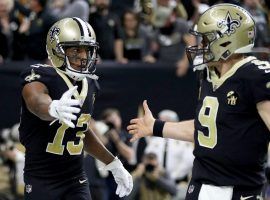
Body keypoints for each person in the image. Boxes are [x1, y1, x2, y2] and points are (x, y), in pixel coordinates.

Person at [127, 3, 270, 200]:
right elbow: (206, 129)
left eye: (205, 40)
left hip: (239, 189)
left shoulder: (256, 76)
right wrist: (156, 127)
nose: (199, 45)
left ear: (226, 41)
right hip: (201, 186)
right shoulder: (209, 74)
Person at [19, 17, 132, 200]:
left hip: (75, 181)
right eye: (75, 50)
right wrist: (52, 107)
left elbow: (81, 131)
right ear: (57, 50)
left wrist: (113, 163)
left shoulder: (90, 85)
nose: (83, 57)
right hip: (41, 180)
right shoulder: (40, 75)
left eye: (87, 50)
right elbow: (35, 101)